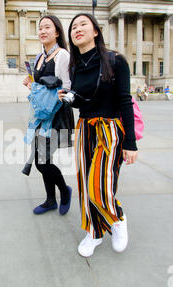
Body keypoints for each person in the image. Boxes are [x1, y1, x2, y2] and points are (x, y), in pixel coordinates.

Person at [58, 13, 138, 257]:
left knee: (99, 185)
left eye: (83, 24)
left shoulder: (116, 61)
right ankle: (94, 232)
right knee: (85, 184)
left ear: (95, 31)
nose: (77, 29)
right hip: (84, 128)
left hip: (110, 128)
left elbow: (125, 100)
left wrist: (131, 143)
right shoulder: (75, 65)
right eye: (73, 27)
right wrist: (69, 99)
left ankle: (116, 217)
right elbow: (86, 100)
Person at [23, 15, 73, 216]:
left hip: (56, 116)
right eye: (40, 28)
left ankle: (64, 191)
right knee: (42, 157)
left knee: (42, 161)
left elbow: (68, 87)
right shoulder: (39, 57)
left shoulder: (63, 56)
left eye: (47, 27)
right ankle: (51, 200)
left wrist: (59, 95)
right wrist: (30, 84)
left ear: (57, 32)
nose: (42, 31)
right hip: (41, 115)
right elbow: (38, 85)